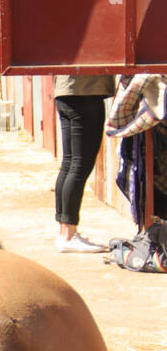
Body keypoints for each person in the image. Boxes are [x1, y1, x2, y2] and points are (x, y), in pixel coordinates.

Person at [53, 74, 114, 252]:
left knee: (69, 163)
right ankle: (69, 235)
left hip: (65, 92)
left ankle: (65, 231)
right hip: (85, 93)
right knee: (80, 165)